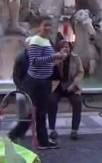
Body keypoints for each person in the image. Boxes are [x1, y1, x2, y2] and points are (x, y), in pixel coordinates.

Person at [24, 16, 67, 149]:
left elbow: (46, 61)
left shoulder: (46, 41)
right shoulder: (36, 40)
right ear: (39, 26)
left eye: (50, 25)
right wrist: (54, 56)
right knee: (40, 112)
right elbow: (35, 61)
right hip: (37, 81)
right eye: (45, 25)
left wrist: (58, 58)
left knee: (41, 111)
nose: (47, 28)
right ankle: (42, 142)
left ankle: (42, 139)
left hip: (44, 80)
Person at [48, 40, 84, 140]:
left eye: (67, 46)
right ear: (59, 48)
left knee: (77, 102)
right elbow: (49, 72)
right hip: (57, 86)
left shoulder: (76, 58)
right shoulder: (55, 57)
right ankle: (52, 129)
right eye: (63, 47)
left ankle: (74, 130)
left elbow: (80, 72)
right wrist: (58, 61)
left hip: (71, 86)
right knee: (51, 101)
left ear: (70, 48)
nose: (65, 48)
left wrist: (74, 84)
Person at [8, 38, 30, 141]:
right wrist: (21, 88)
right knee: (20, 101)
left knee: (32, 111)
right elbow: (15, 75)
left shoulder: (38, 57)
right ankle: (17, 132)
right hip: (22, 87)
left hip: (34, 88)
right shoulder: (20, 58)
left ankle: (17, 132)